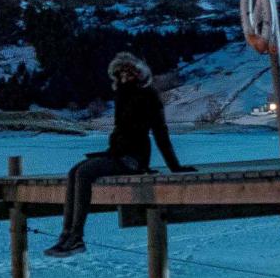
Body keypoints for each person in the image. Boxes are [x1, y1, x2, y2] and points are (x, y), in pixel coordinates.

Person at [44, 51, 191, 256]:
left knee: (84, 172)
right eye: (121, 72)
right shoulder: (122, 95)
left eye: (130, 71)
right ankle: (67, 235)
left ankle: (76, 237)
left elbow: (160, 133)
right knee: (74, 172)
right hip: (116, 154)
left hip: (133, 159)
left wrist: (174, 166)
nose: (125, 75)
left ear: (140, 74)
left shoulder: (148, 96)